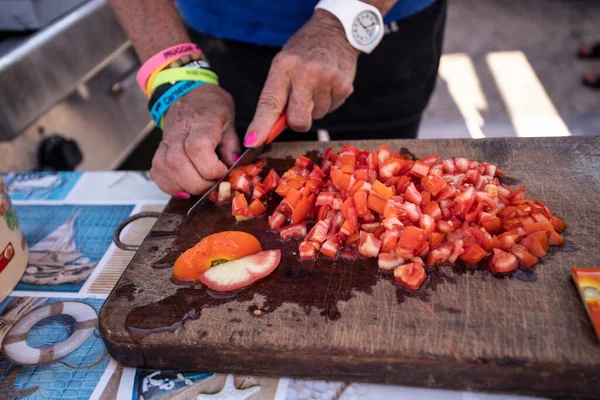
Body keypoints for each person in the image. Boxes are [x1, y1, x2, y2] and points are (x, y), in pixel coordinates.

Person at [107, 0, 447, 197]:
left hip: (381, 19)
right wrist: (179, 76)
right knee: (237, 161)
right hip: (225, 29)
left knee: (384, 175)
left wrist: (343, 19)